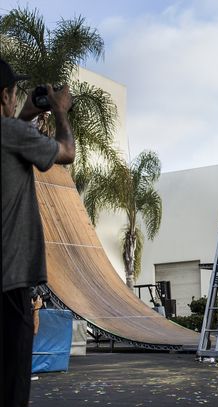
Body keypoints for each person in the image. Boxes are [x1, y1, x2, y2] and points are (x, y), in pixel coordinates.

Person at [1, 58, 75, 407]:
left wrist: (27, 115)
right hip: (10, 282)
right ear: (5, 96)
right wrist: (60, 111)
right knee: (12, 389)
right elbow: (67, 152)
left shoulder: (12, 133)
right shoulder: (13, 134)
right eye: (15, 94)